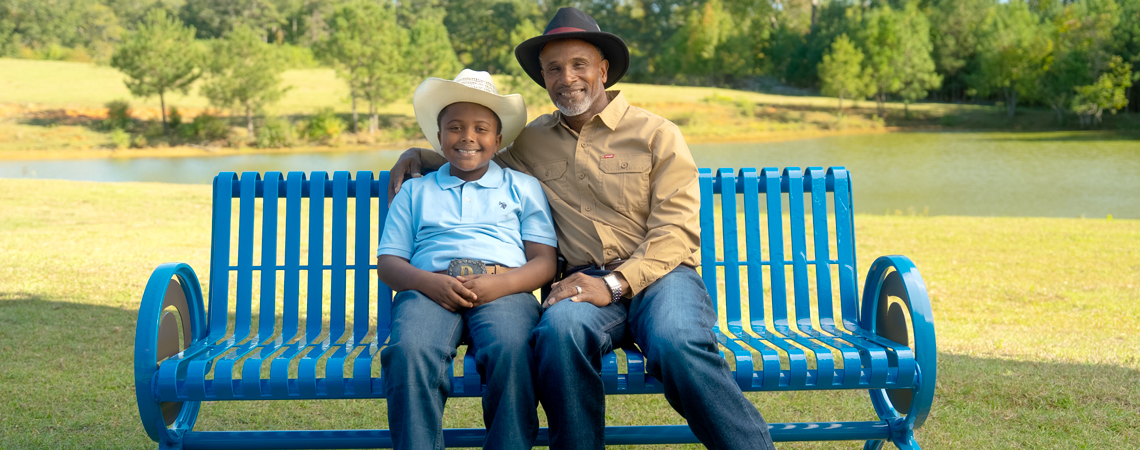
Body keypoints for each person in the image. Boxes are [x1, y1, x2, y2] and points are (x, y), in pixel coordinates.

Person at [387, 8, 777, 450]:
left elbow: (678, 232)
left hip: (662, 278)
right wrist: (418, 154)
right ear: (543, 77)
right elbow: (478, 157)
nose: (566, 77)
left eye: (578, 65)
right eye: (554, 68)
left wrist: (614, 284)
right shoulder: (534, 141)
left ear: (603, 71)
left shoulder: (656, 134)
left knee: (677, 342)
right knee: (558, 333)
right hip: (581, 280)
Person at [376, 69, 558, 450]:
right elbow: (390, 264)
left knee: (513, 348)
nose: (468, 137)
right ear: (439, 138)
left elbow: (544, 262)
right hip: (428, 288)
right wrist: (429, 283)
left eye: (480, 129)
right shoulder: (415, 192)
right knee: (409, 350)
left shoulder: (522, 187)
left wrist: (501, 284)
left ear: (498, 140)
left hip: (504, 289)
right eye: (455, 128)